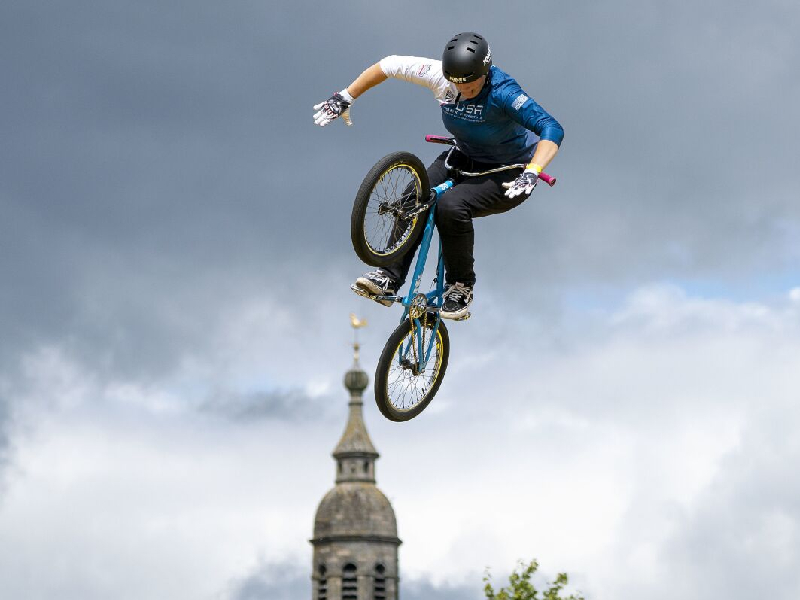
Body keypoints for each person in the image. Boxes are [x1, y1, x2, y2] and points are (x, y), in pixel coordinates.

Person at [313, 32, 564, 320]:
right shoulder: (438, 76)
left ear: (485, 72)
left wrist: (534, 170)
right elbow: (388, 65)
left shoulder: (505, 93)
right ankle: (389, 277)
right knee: (413, 195)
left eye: (470, 84)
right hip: (461, 157)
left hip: (508, 173)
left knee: (450, 207)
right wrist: (345, 96)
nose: (463, 89)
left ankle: (460, 287)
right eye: (457, 83)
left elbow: (552, 128)